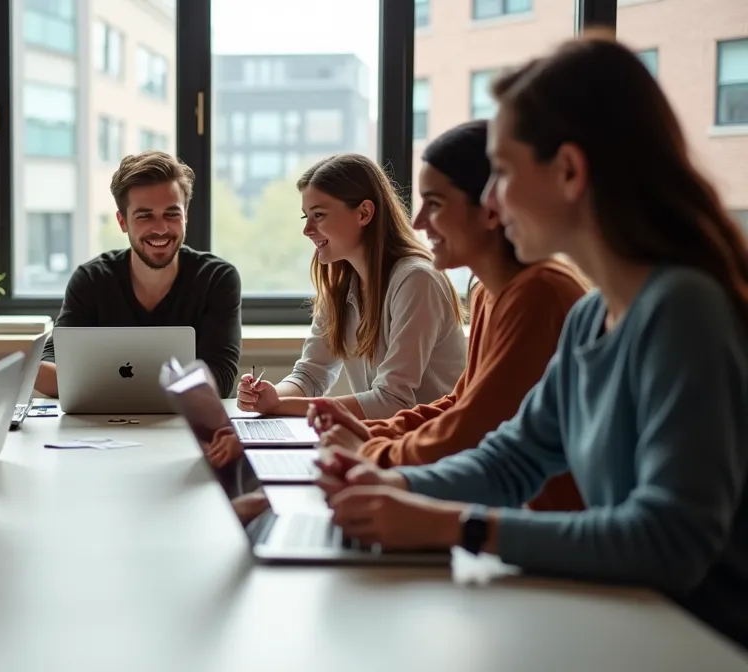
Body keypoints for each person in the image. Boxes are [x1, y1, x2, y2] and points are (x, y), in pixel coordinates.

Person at [317, 35, 748, 648]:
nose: (491, 200)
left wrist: (456, 526)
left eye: (505, 173)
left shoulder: (684, 309)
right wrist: (395, 487)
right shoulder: (592, 316)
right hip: (627, 622)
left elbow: (669, 539)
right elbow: (512, 459)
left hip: (697, 643)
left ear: (569, 171)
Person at [309, 120, 586, 512]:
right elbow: (460, 402)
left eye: (435, 204)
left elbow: (473, 427)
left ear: (491, 207)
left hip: (547, 526)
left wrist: (374, 453)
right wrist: (372, 432)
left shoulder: (538, 294)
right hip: (507, 512)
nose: (419, 222)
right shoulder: (489, 291)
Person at [236, 154, 466, 421]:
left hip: (432, 447)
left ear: (364, 213)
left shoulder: (417, 280)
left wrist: (280, 406)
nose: (307, 230)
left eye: (319, 215)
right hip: (385, 439)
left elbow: (393, 402)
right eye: (306, 217)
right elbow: (311, 374)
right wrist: (271, 395)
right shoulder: (341, 283)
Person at [35, 151, 242, 398]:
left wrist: (106, 383)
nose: (161, 228)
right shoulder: (91, 280)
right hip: (101, 428)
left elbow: (221, 380)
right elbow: (51, 364)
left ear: (185, 215)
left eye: (172, 214)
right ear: (123, 222)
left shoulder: (217, 279)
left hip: (184, 427)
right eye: (145, 216)